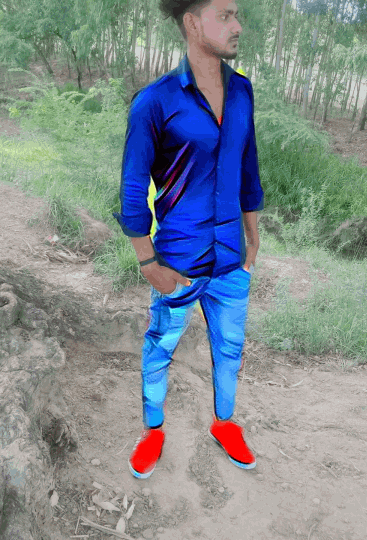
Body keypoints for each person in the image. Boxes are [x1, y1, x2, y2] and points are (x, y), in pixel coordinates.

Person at [113, 0, 264, 479]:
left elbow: (248, 166)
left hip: (231, 259)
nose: (237, 26)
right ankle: (153, 431)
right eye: (225, 16)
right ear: (193, 23)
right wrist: (147, 263)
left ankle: (224, 423)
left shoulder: (242, 92)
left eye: (237, 15)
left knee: (230, 348)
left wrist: (253, 235)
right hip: (178, 261)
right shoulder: (154, 102)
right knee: (160, 347)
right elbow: (133, 188)